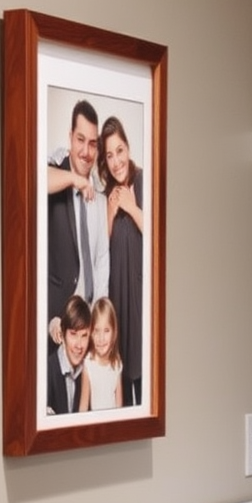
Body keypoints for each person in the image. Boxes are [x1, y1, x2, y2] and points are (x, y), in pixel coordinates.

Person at [47, 99, 109, 343]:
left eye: (93, 144)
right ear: (70, 137)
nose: (86, 151)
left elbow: (102, 259)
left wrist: (101, 313)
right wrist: (75, 180)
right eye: (80, 140)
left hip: (91, 325)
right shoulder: (56, 171)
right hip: (59, 322)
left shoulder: (100, 195)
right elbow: (37, 178)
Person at [99, 115, 144, 406]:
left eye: (120, 151)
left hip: (140, 296)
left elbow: (162, 239)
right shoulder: (107, 196)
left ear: (128, 148)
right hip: (117, 300)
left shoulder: (143, 181)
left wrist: (133, 207)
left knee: (145, 378)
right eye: (110, 155)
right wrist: (111, 215)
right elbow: (99, 251)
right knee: (122, 385)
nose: (116, 161)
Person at [45, 295, 91, 414]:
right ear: (62, 335)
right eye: (73, 334)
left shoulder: (89, 371)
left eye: (84, 336)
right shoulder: (46, 372)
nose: (79, 345)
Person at [79, 296, 123, 411]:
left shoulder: (116, 363)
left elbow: (119, 406)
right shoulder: (89, 364)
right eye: (96, 331)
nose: (101, 338)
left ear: (114, 333)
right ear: (91, 333)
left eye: (106, 331)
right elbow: (83, 407)